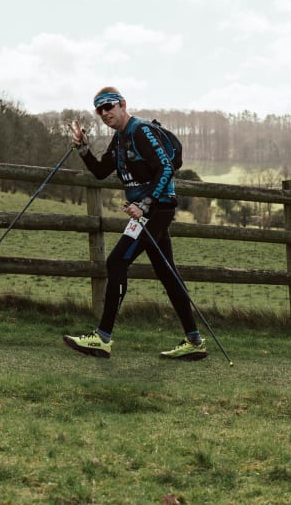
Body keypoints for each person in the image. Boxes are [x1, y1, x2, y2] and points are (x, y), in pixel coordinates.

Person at [62, 87, 207, 360]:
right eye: (99, 110)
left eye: (109, 106)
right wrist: (83, 149)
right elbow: (101, 172)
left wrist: (145, 204)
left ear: (122, 104)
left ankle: (102, 338)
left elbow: (166, 168)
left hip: (156, 210)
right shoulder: (119, 139)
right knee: (167, 273)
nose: (104, 113)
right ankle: (195, 342)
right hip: (147, 213)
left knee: (117, 262)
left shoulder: (141, 131)